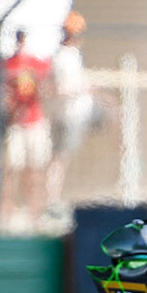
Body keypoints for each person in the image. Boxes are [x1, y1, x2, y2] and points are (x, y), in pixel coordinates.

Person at [2, 29, 51, 228]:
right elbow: (3, 91)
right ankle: (7, 211)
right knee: (11, 169)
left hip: (35, 122)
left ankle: (35, 213)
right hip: (15, 125)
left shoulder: (36, 64)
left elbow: (47, 85)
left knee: (35, 170)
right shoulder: (8, 64)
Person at [47, 11, 96, 210]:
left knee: (63, 159)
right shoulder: (62, 58)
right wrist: (82, 89)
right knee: (59, 159)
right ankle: (52, 200)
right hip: (67, 115)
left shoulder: (74, 56)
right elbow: (60, 89)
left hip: (79, 113)